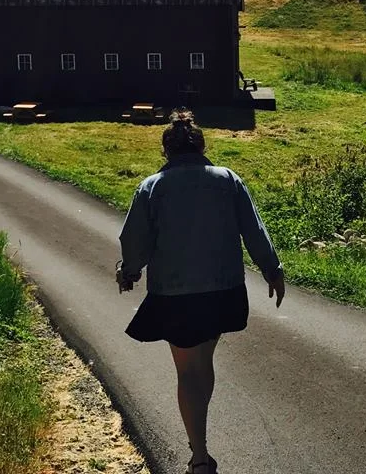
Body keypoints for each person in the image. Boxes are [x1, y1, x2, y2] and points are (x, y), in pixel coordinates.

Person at [117, 109, 285, 474]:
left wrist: (129, 272)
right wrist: (273, 270)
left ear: (167, 150)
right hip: (221, 291)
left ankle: (199, 455)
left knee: (187, 371)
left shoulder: (152, 187)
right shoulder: (227, 180)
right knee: (203, 362)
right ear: (201, 145)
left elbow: (135, 241)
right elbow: (253, 229)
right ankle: (200, 444)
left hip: (174, 294)